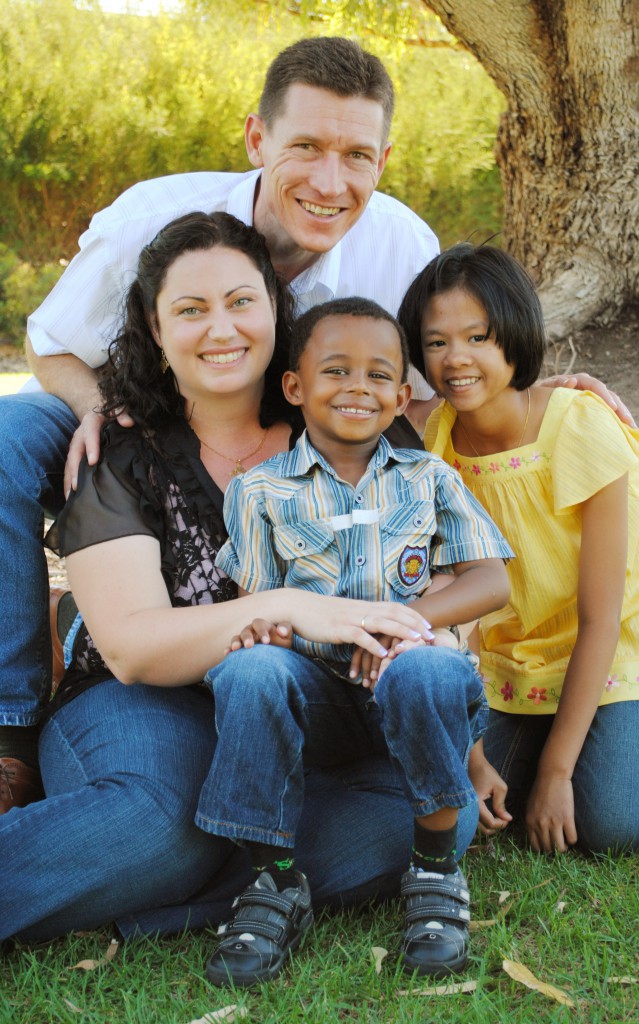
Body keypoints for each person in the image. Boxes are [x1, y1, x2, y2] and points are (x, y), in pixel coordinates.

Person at [0, 35, 627, 808]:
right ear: (257, 139)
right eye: (305, 147)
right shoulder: (153, 218)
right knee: (5, 441)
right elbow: (51, 340)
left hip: (284, 446)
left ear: (383, 159)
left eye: (356, 155)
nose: (331, 182)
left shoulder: (398, 245)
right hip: (127, 405)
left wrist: (526, 392)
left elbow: (425, 388)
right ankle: (13, 726)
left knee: (382, 813)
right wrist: (102, 408)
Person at [0, 212, 445, 943]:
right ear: (154, 326)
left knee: (410, 819)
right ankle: (177, 863)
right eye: (190, 310)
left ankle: (169, 907)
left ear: (276, 307)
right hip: (143, 704)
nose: (221, 329)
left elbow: (430, 576)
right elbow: (135, 651)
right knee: (165, 822)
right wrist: (290, 605)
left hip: (303, 709)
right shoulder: (123, 456)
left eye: (241, 301)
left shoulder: (354, 423)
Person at [195, 297, 513, 986]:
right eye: (335, 371)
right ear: (295, 387)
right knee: (249, 671)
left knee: (425, 669)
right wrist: (268, 628)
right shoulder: (259, 492)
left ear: (402, 394)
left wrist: (405, 624)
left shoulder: (427, 479)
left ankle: (433, 873)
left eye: (377, 376)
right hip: (318, 702)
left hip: (409, 689)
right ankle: (274, 882)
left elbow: (490, 580)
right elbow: (260, 603)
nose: (357, 389)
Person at [397, 242, 639, 856]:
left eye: (478, 336)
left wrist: (556, 774)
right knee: (460, 808)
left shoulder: (579, 425)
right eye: (436, 342)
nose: (456, 360)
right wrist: (472, 759)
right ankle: (539, 742)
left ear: (514, 332)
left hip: (615, 639)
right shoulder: (431, 443)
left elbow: (602, 616)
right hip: (510, 654)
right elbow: (457, 610)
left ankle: (573, 746)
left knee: (612, 828)